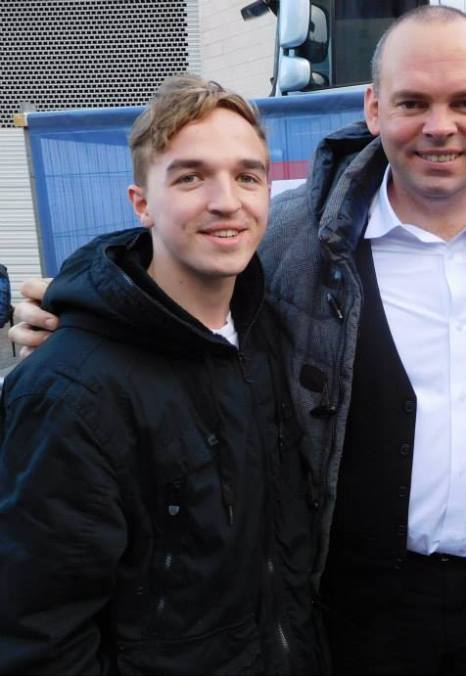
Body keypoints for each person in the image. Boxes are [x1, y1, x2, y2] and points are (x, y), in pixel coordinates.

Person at [11, 7, 466, 674]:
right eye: (412, 102)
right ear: (373, 109)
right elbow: (176, 266)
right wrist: (79, 310)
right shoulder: (296, 235)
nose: (439, 126)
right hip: (351, 608)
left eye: (464, 101)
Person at [0, 75, 322, 674]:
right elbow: (40, 637)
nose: (226, 200)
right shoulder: (69, 390)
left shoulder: (273, 336)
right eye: (191, 177)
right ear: (141, 202)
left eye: (247, 176)